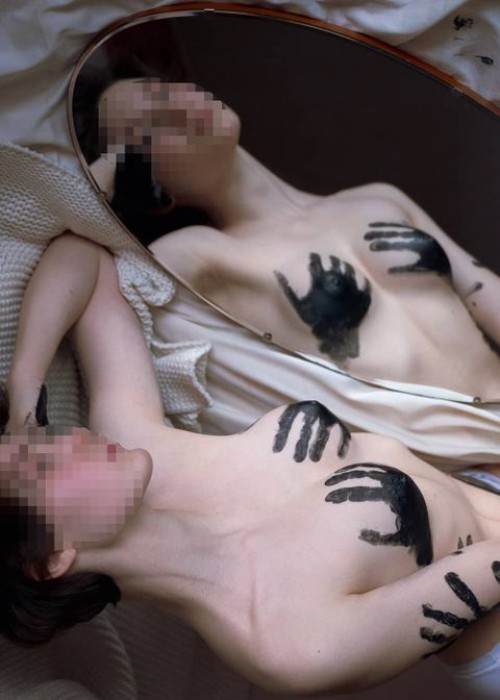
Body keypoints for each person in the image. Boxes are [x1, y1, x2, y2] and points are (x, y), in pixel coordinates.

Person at [2, 231, 500, 697]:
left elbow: (86, 261)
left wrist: (23, 404)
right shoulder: (285, 640)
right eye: (43, 467)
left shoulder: (139, 444)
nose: (72, 437)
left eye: (44, 439)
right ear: (53, 558)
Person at [91, 77, 500, 400]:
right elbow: (81, 243)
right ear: (147, 187)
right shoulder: (201, 254)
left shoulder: (378, 198)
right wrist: (106, 174)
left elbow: (486, 294)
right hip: (449, 462)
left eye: (164, 90)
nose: (179, 106)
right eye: (150, 128)